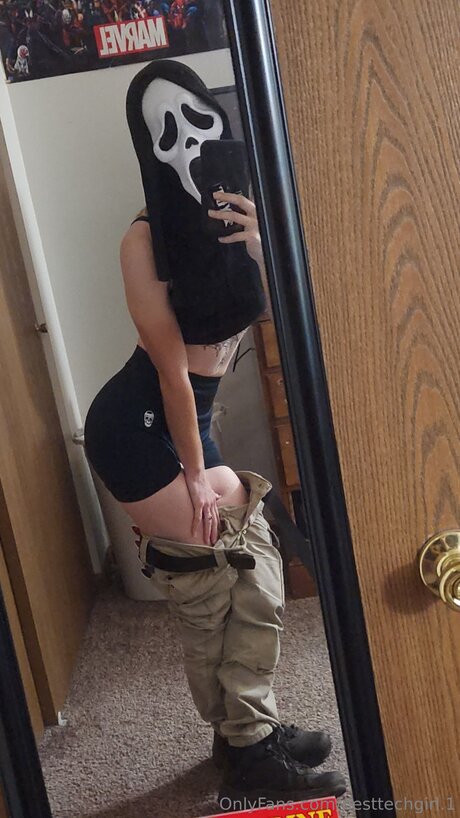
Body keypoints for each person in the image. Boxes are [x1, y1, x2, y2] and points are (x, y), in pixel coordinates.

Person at [84, 59, 346, 809]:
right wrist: (198, 474)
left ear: (219, 119)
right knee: (231, 571)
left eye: (196, 118)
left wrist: (263, 243)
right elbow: (173, 373)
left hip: (189, 420)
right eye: (164, 131)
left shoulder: (245, 215)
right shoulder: (144, 241)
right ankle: (251, 749)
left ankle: (242, 732)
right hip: (138, 429)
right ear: (148, 149)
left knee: (238, 569)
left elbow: (304, 310)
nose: (188, 141)